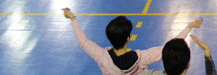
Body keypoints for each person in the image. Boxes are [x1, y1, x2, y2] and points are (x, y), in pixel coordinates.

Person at [62, 7, 202, 75]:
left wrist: (73, 18)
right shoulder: (140, 58)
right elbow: (167, 48)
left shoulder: (102, 57)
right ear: (128, 39)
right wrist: (188, 27)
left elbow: (84, 42)